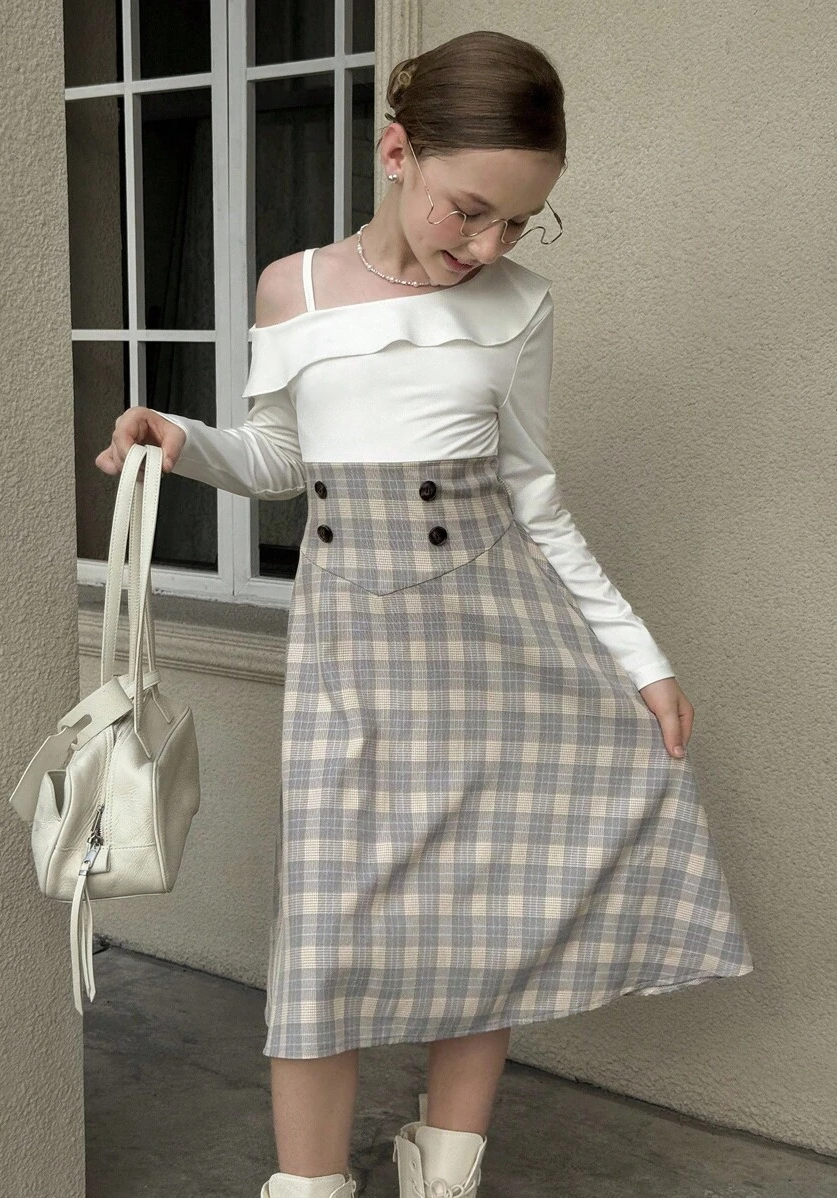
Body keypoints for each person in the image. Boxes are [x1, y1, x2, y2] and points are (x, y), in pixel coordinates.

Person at [96, 29, 754, 1198]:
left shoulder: (521, 304)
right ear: (396, 151)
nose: (489, 245)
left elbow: (537, 501)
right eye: (472, 210)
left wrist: (643, 662)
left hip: (499, 630)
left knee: (485, 908)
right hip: (352, 638)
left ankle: (441, 1170)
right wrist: (179, 440)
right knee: (329, 927)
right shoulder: (291, 288)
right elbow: (281, 458)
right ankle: (309, 1186)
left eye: (519, 222)